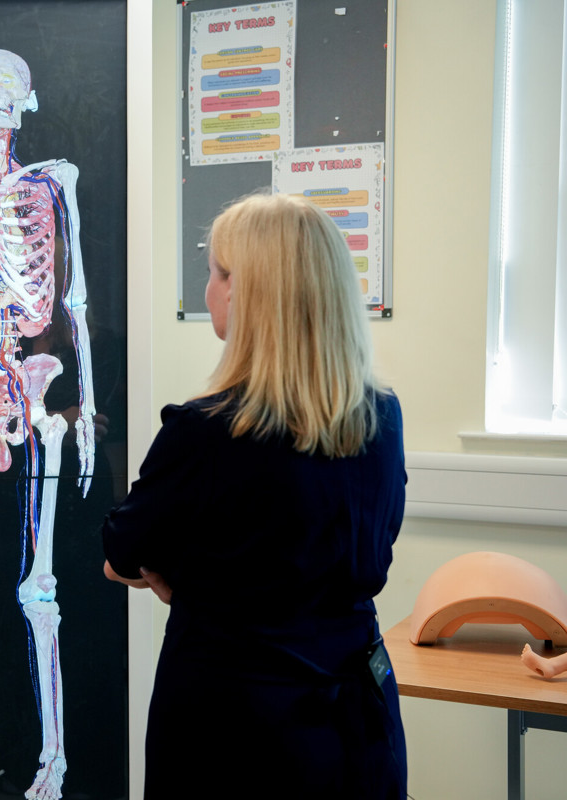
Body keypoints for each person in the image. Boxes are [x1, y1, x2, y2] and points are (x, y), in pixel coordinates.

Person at [101, 192, 407, 798]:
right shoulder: (382, 420)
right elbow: (361, 548)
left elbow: (122, 548)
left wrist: (185, 579)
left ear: (248, 291)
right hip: (358, 723)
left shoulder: (205, 432)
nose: (209, 288)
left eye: (216, 272)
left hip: (236, 735)